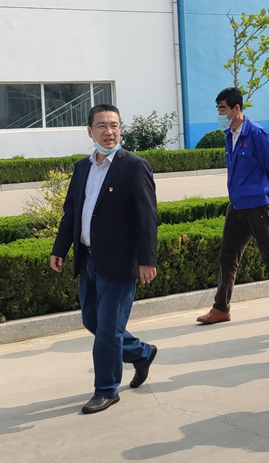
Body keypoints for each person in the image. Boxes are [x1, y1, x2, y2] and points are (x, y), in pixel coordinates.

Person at [50, 104, 159, 414]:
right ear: (90, 131)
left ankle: (106, 389)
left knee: (108, 328)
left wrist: (147, 259)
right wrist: (59, 249)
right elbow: (72, 212)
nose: (109, 132)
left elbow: (148, 216)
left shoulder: (134, 166)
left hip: (120, 261)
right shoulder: (82, 168)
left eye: (114, 125)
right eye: (102, 126)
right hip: (88, 258)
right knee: (92, 321)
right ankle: (141, 353)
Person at [196, 87, 269, 324]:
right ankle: (221, 308)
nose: (219, 114)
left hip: (257, 205)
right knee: (227, 256)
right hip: (236, 205)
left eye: (222, 109)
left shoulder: (256, 133)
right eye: (218, 109)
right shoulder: (229, 134)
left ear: (236, 109)